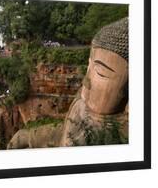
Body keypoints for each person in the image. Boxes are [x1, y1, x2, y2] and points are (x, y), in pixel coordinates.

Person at [7, 17, 129, 149]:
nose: (85, 79)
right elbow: (66, 132)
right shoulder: (82, 102)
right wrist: (31, 136)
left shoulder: (117, 140)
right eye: (89, 65)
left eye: (100, 72)